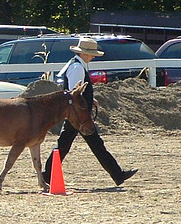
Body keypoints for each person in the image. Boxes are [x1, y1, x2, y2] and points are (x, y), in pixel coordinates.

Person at [42, 37, 138, 186]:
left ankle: (47, 175)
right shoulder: (77, 67)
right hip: (79, 114)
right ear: (85, 54)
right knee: (89, 144)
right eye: (92, 54)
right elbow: (75, 93)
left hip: (78, 113)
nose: (93, 57)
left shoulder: (78, 65)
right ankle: (118, 175)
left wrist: (90, 99)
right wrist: (84, 106)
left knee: (68, 144)